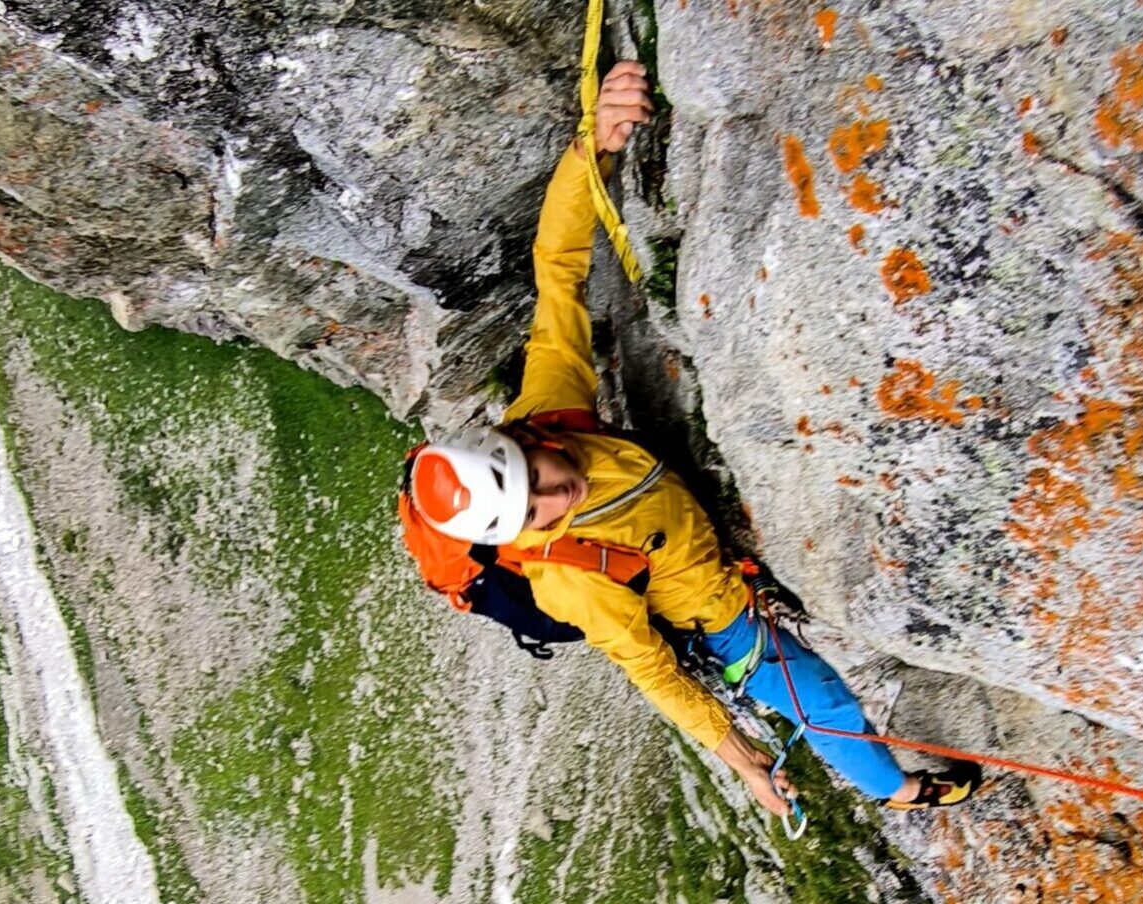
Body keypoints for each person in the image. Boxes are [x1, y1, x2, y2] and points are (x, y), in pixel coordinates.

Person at [405, 61, 980, 815]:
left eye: (536, 472)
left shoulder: (550, 407)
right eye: (536, 510)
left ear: (518, 439)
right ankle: (899, 790)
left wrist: (592, 148)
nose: (558, 491)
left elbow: (558, 272)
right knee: (822, 701)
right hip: (713, 610)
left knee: (817, 695)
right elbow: (651, 671)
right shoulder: (566, 577)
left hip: (688, 544)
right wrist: (742, 760)